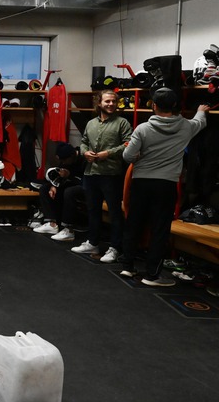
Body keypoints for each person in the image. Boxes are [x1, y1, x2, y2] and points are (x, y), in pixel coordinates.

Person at [120, 88, 208, 286]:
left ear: (154, 106)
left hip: (141, 182)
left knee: (134, 223)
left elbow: (127, 156)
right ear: (175, 106)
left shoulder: (142, 128)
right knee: (159, 229)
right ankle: (152, 275)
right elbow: (200, 122)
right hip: (166, 185)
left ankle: (127, 266)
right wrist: (201, 110)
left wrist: (139, 155)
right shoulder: (186, 126)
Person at [72, 89, 132, 263]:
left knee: (115, 212)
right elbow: (83, 142)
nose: (111, 104)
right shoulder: (91, 123)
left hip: (111, 174)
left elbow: (129, 144)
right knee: (92, 210)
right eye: (107, 101)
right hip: (91, 173)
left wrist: (109, 153)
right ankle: (93, 243)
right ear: (99, 103)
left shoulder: (122, 123)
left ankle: (115, 248)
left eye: (113, 101)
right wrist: (85, 152)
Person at [33, 143, 86, 241]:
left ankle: (68, 229)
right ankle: (51, 223)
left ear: (71, 156)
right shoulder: (66, 159)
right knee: (44, 189)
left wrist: (69, 175)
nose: (63, 162)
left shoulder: (84, 159)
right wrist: (54, 185)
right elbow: (59, 175)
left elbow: (85, 181)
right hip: (72, 183)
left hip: (85, 186)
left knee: (69, 192)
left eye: (64, 160)